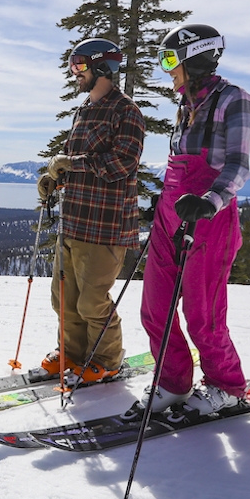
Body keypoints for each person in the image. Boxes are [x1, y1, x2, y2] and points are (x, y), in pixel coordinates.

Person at [133, 23, 250, 416]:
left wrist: (208, 201)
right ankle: (172, 382)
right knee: (154, 308)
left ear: (196, 58)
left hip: (209, 220)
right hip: (172, 216)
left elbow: (238, 166)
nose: (166, 68)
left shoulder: (234, 100)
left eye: (170, 59)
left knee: (203, 314)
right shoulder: (186, 106)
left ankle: (227, 386)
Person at [35, 38, 145, 384]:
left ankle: (107, 360)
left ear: (102, 67)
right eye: (72, 66)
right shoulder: (83, 110)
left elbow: (122, 163)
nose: (74, 73)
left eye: (79, 66)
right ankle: (72, 354)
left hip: (105, 224)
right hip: (74, 220)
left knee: (93, 302)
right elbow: (77, 164)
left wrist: (72, 163)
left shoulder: (126, 111)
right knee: (63, 299)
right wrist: (54, 179)